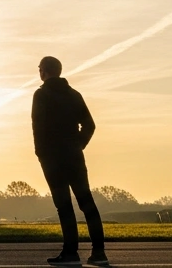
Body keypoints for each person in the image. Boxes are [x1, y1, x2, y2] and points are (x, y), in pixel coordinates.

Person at [33, 56, 108, 266]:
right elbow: (90, 125)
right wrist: (78, 145)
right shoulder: (74, 95)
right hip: (74, 156)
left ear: (44, 71)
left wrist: (41, 154)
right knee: (87, 202)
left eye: (40, 69)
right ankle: (99, 252)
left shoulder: (41, 95)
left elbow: (37, 127)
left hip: (52, 158)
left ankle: (70, 252)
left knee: (64, 205)